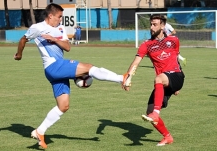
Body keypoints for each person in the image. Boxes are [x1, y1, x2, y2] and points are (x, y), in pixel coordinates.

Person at [14, 3, 134, 149]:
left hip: (58, 68)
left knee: (63, 106)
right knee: (88, 67)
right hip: (53, 66)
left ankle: (39, 132)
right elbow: (23, 40)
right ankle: (122, 78)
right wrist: (19, 54)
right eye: (59, 17)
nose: (60, 20)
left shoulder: (60, 28)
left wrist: (55, 39)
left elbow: (68, 47)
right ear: (50, 15)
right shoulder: (37, 28)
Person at [122, 14, 185, 146]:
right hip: (163, 81)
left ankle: (156, 113)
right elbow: (135, 63)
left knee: (158, 79)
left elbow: (176, 59)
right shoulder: (146, 45)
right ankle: (167, 136)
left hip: (176, 76)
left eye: (154, 24)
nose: (151, 27)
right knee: (149, 111)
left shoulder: (174, 40)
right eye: (151, 24)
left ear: (162, 26)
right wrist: (128, 77)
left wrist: (176, 86)